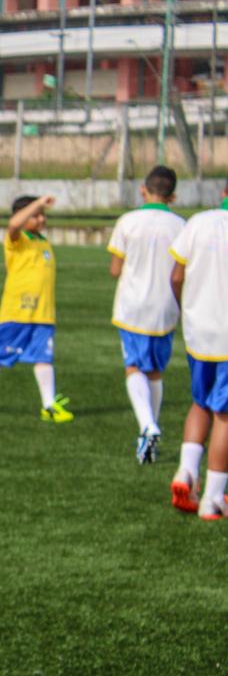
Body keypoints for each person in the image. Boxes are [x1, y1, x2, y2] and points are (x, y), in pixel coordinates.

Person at [0, 195, 74, 422]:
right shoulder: (16, 241)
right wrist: (37, 203)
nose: (40, 219)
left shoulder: (43, 242)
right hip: (16, 312)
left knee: (44, 358)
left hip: (43, 314)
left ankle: (48, 404)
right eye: (35, 216)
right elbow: (14, 225)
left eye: (42, 215)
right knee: (0, 355)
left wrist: (37, 210)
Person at [107, 166, 185, 464]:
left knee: (133, 366)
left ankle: (147, 425)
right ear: (173, 195)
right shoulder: (181, 225)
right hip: (166, 307)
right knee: (154, 371)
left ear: (144, 189)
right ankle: (146, 436)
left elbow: (115, 269)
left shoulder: (127, 221)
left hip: (132, 307)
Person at [167, 181, 228, 518]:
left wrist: (186, 309)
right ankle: (213, 499)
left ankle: (186, 473)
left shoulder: (198, 222)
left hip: (199, 331)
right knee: (225, 414)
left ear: (223, 194)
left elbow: (176, 277)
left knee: (200, 402)